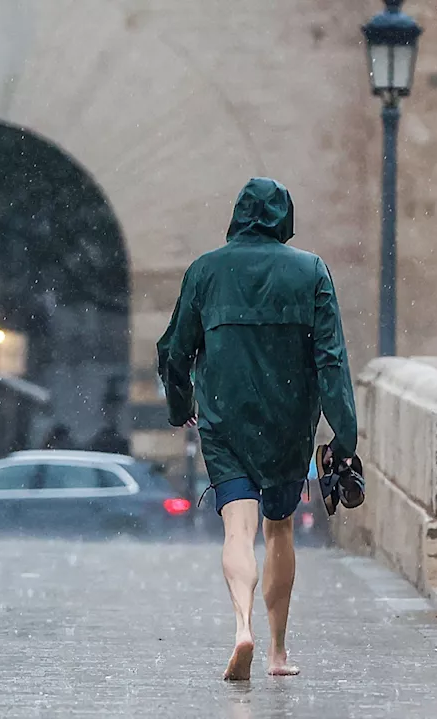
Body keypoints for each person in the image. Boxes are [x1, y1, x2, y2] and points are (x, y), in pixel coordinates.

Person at [157, 177, 357, 681]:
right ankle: (277, 652)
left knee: (237, 529)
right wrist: (345, 435)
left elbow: (174, 351)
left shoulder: (205, 270)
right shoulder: (311, 271)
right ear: (284, 219)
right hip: (290, 421)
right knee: (280, 526)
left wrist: (181, 404)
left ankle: (241, 626)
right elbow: (331, 360)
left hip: (225, 416)